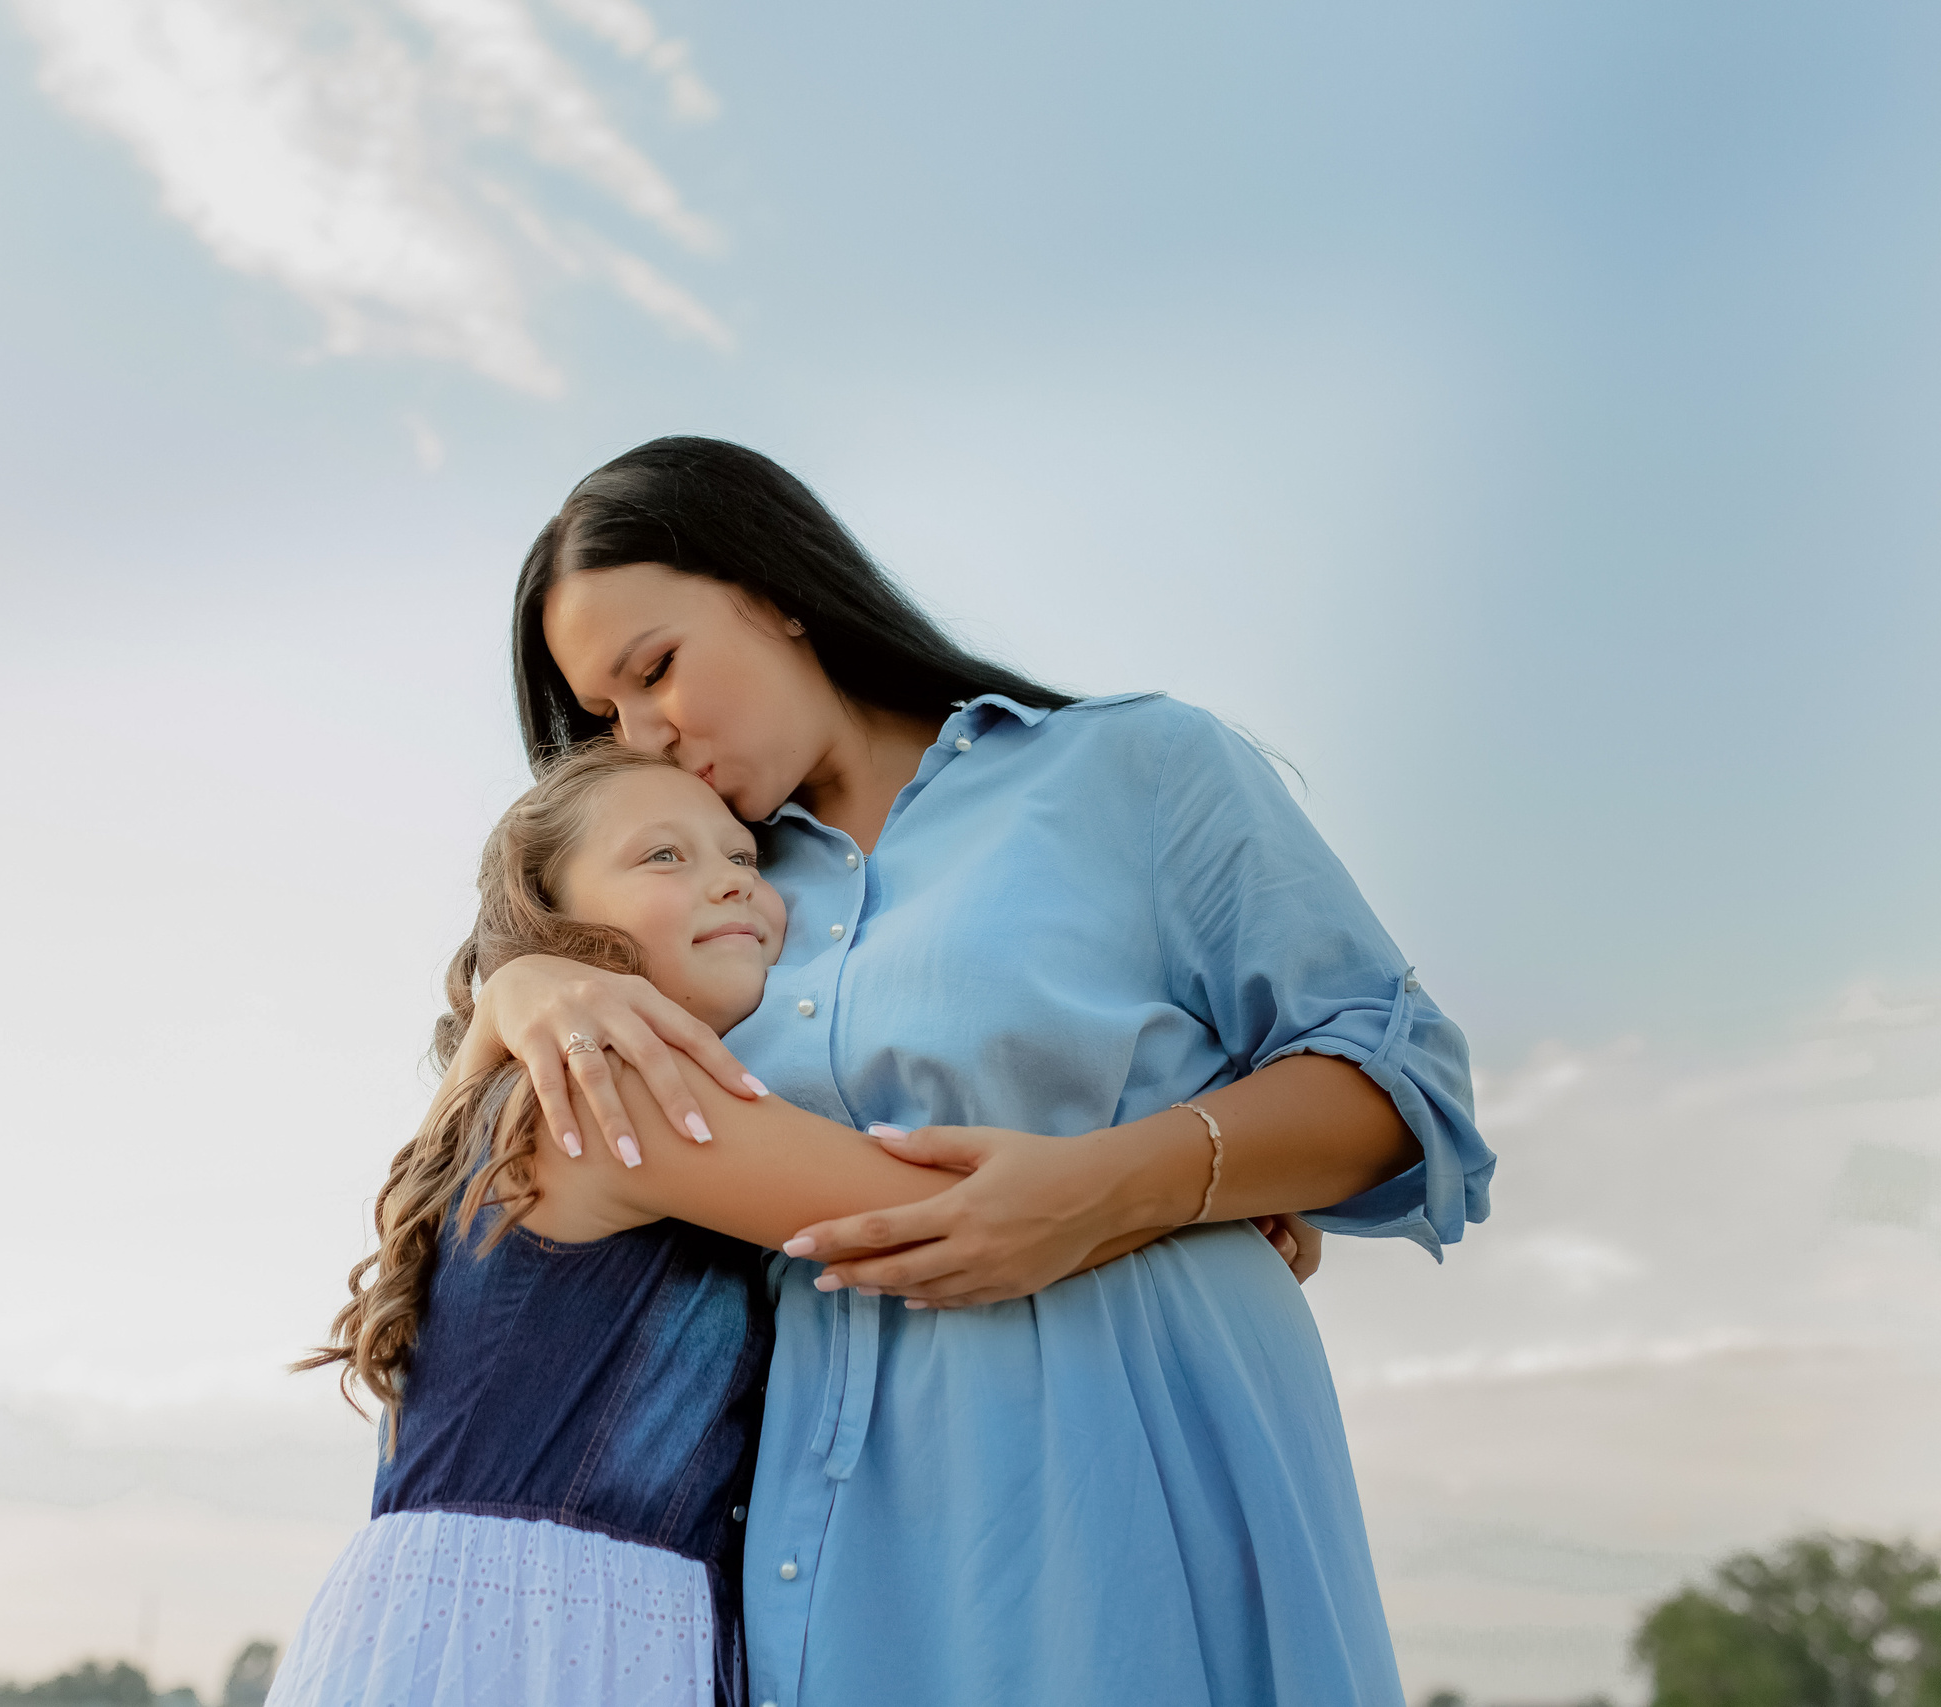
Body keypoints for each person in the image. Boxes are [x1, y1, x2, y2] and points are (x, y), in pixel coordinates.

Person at [450, 437, 1497, 1705]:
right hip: (834, 1535)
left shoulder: (1133, 771)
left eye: (656, 668)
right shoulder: (710, 896)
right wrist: (516, 982)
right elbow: (552, 1153)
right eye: (608, 717)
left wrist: (1132, 1180)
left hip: (1149, 1468)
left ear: (773, 587)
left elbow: (1403, 1088)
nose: (647, 734)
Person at [278, 744, 1199, 1707]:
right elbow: (944, 1213)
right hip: (535, 1638)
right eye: (663, 858)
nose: (729, 883)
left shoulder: (530, 1099)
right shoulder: (608, 1098)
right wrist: (1191, 1188)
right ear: (555, 926)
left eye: (744, 860)